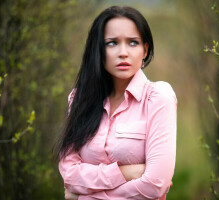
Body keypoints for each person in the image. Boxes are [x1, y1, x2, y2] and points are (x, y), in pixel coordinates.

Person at [55, 6, 177, 200]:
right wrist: (127, 173)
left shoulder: (158, 97)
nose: (123, 53)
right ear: (99, 51)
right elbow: (70, 175)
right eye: (112, 43)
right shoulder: (79, 99)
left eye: (133, 43)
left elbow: (155, 186)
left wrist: (81, 196)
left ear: (145, 50)